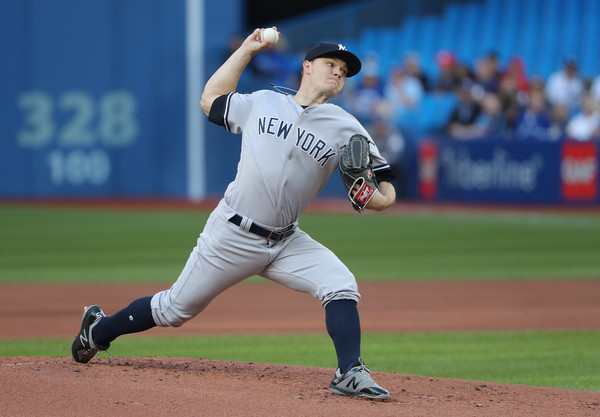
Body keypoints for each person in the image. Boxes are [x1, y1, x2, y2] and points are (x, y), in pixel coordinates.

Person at [71, 28, 396, 401]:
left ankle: (349, 371)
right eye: (330, 64)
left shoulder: (346, 126)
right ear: (307, 67)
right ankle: (96, 331)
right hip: (232, 233)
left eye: (344, 69)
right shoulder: (264, 102)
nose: (338, 72)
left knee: (340, 283)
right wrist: (247, 49)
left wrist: (377, 199)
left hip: (287, 240)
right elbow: (211, 99)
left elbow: (385, 187)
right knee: (174, 309)